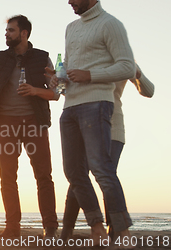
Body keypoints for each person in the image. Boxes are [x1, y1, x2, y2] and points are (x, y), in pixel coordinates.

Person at [0, 15, 59, 238]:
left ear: (24, 33)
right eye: (6, 30)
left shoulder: (42, 58)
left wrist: (35, 91)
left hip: (35, 123)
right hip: (6, 124)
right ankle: (12, 228)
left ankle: (51, 227)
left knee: (43, 175)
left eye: (11, 31)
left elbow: (56, 93)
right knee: (7, 177)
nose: (6, 34)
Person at [50, 0, 136, 242]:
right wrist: (59, 78)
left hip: (97, 103)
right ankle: (96, 226)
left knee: (101, 169)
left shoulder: (110, 24)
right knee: (73, 172)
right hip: (70, 106)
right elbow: (70, 66)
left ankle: (123, 232)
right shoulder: (71, 27)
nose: (69, 1)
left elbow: (128, 67)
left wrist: (91, 75)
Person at [55, 64, 154, 240]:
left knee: (105, 175)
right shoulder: (89, 57)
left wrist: (138, 74)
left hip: (113, 128)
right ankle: (67, 231)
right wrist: (59, 82)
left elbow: (149, 91)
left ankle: (115, 231)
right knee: (77, 176)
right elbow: (69, 91)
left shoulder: (122, 60)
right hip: (84, 125)